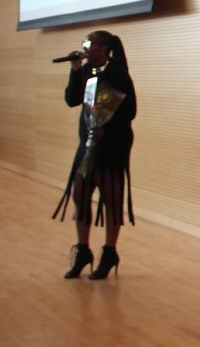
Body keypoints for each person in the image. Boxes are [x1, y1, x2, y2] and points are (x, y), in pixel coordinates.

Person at [53, 31, 137, 280]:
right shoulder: (86, 70)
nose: (86, 48)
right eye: (84, 44)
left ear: (104, 48)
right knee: (80, 193)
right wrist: (75, 69)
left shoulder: (118, 73)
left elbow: (130, 111)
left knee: (110, 199)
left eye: (90, 44)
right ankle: (83, 250)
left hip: (112, 143)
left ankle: (110, 252)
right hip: (88, 143)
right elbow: (71, 100)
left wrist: (105, 128)